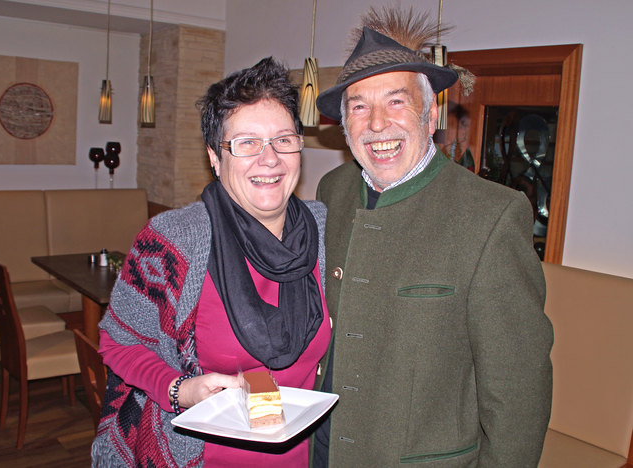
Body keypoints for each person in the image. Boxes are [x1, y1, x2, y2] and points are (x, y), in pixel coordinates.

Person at [313, 8, 553, 467]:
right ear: (344, 125)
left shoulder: (492, 216)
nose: (377, 124)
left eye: (396, 101)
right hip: (320, 449)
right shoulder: (334, 191)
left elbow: (518, 394)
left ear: (431, 114)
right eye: (359, 106)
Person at [91, 57, 331, 467]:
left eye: (283, 140)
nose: (269, 159)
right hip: (196, 458)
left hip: (305, 458)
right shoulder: (173, 239)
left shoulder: (328, 231)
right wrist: (177, 389)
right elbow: (118, 341)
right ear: (215, 158)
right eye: (246, 143)